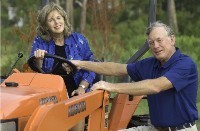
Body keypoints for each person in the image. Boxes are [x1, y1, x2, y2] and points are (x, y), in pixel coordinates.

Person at [71, 21, 198, 131]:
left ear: (172, 39)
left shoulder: (185, 64)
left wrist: (110, 86)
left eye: (159, 40)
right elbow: (117, 68)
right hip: (155, 128)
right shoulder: (150, 64)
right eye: (151, 42)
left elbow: (156, 86)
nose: (156, 46)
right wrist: (81, 64)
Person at [30, 2, 95, 130]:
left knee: (78, 104)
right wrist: (39, 59)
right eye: (51, 20)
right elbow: (37, 72)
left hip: (75, 92)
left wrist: (82, 87)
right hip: (51, 95)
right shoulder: (40, 42)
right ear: (45, 25)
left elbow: (92, 66)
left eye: (59, 18)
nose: (56, 22)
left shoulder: (79, 40)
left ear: (64, 19)